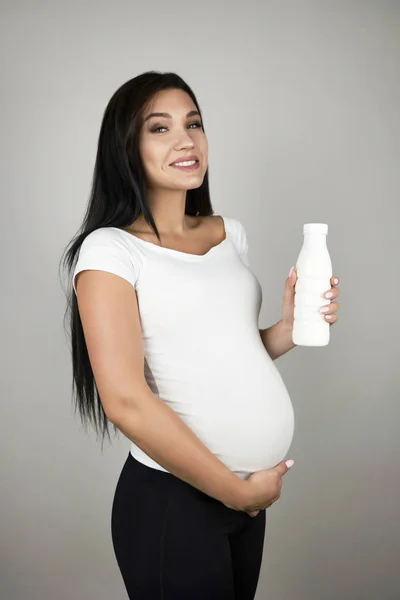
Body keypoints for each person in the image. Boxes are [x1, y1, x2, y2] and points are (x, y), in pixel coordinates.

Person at [61, 71, 340, 600]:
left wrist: (288, 328)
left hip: (246, 500)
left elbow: (223, 356)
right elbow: (124, 400)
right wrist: (236, 491)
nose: (186, 140)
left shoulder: (227, 232)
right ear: (125, 148)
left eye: (194, 123)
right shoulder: (110, 251)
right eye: (159, 128)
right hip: (176, 500)